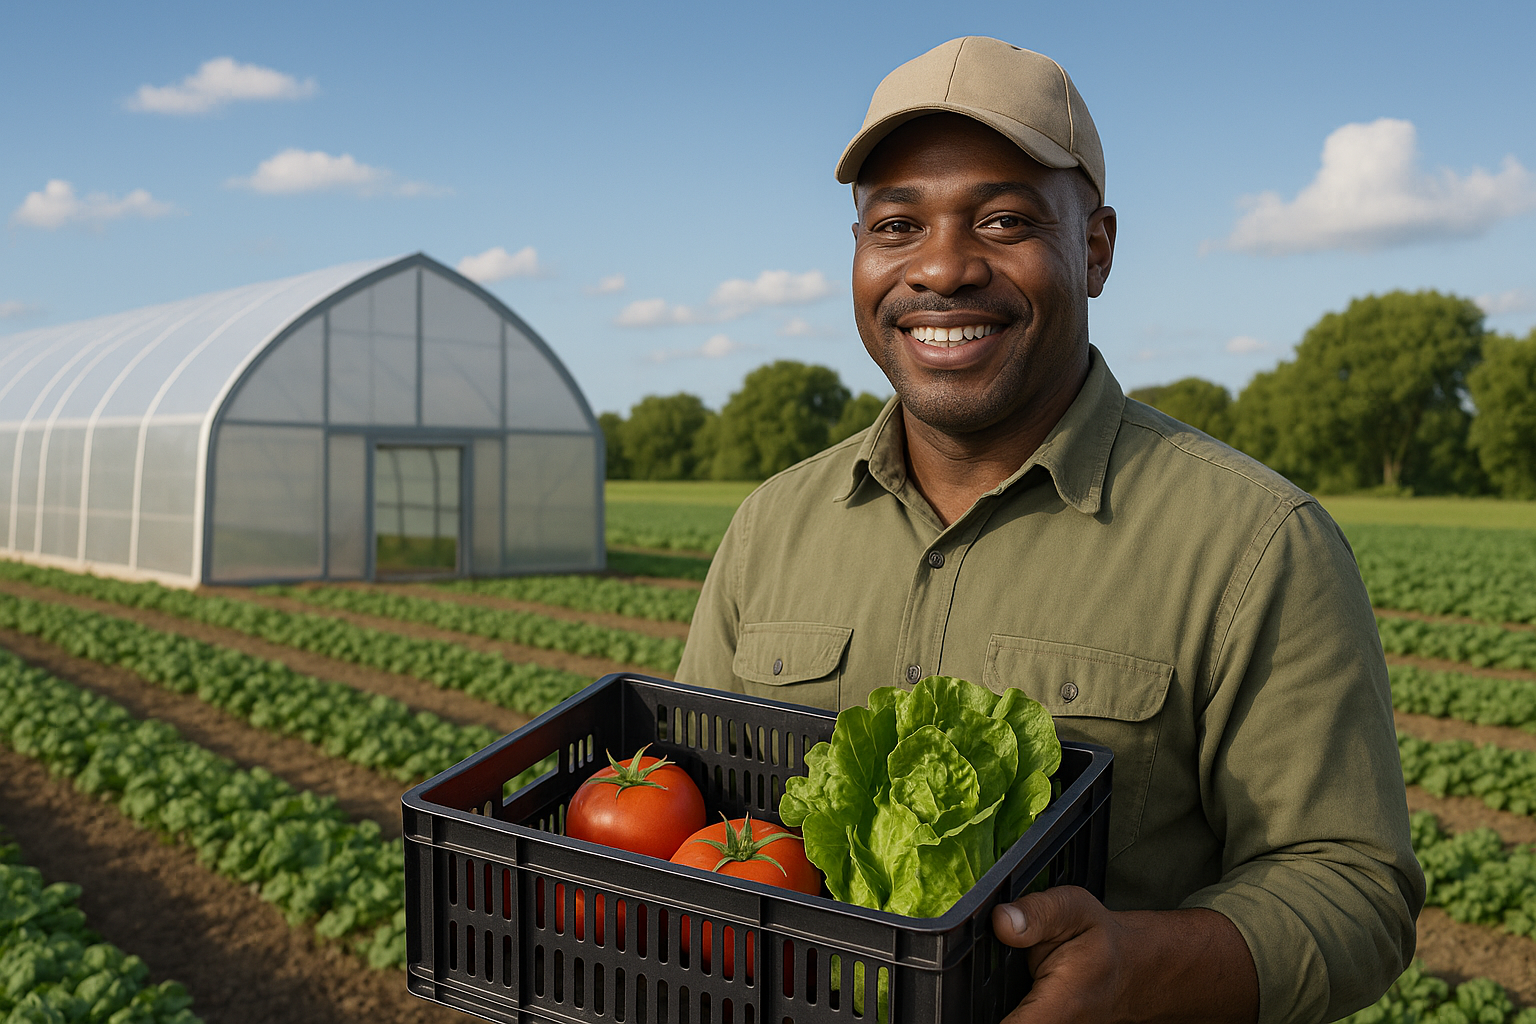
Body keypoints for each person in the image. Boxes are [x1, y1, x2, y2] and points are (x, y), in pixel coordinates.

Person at [675, 36, 1424, 1024]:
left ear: (1097, 247)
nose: (941, 268)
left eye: (1004, 219)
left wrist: (1141, 967)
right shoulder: (772, 524)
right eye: (897, 223)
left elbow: (1352, 885)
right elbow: (690, 819)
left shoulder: (1256, 541)